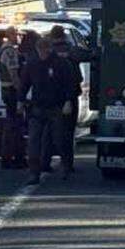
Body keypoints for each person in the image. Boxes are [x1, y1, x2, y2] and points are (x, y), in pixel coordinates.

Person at [19, 36, 71, 185]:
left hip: (56, 106)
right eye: (40, 50)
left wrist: (68, 101)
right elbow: (25, 83)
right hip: (38, 107)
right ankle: (34, 173)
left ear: (50, 49)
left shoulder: (61, 64)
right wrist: (20, 101)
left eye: (45, 50)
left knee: (59, 140)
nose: (42, 53)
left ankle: (66, 166)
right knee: (34, 142)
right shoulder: (33, 64)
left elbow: (69, 84)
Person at [44, 25, 81, 178]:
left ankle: (44, 162)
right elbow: (87, 57)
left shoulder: (47, 52)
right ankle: (67, 164)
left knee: (47, 132)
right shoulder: (71, 50)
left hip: (49, 97)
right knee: (67, 132)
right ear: (64, 36)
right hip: (69, 97)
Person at [0, 26, 25, 169]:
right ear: (11, 35)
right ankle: (15, 158)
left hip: (6, 90)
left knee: (11, 125)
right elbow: (14, 74)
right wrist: (21, 94)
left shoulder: (2, 49)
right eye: (18, 35)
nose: (20, 37)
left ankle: (8, 157)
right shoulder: (10, 52)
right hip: (12, 91)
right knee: (15, 126)